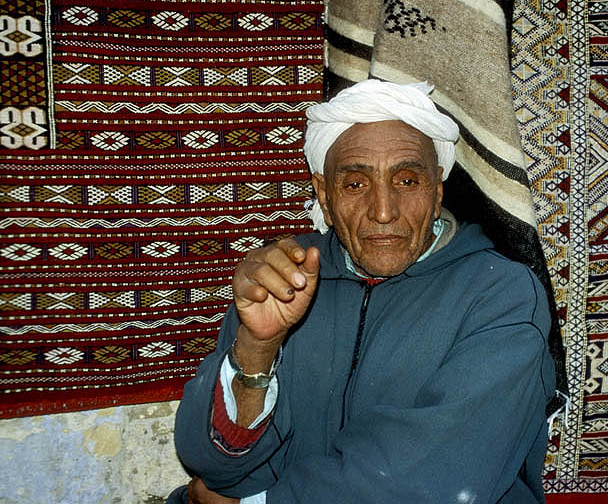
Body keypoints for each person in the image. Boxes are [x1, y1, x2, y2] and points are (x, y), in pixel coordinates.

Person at [169, 79, 555, 504]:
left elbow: (437, 480)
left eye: (407, 180)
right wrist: (257, 348)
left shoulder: (500, 294)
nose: (384, 211)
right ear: (325, 195)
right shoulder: (285, 275)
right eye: (355, 184)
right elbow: (212, 464)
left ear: (438, 188)